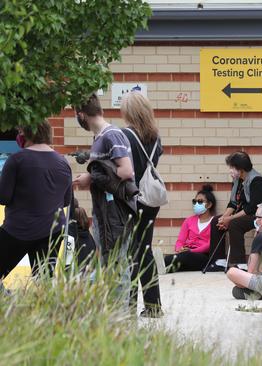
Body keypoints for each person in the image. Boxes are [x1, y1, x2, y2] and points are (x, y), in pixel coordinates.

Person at [0, 121, 72, 279]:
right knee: (44, 281)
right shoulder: (63, 162)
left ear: (27, 134)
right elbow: (66, 201)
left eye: (20, 132)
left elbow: (3, 197)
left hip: (17, 230)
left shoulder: (16, 160)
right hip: (52, 231)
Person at [72, 93, 136, 264]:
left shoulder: (111, 135)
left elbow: (126, 171)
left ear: (81, 115)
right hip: (104, 211)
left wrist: (90, 178)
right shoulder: (99, 137)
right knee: (108, 265)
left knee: (116, 266)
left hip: (116, 212)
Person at [120, 92, 164, 317]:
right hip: (150, 200)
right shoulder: (156, 138)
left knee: (128, 252)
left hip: (131, 198)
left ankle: (128, 304)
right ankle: (153, 305)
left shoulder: (124, 135)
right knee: (144, 250)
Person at [211, 151, 262, 268]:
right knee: (216, 220)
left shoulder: (257, 180)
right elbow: (233, 203)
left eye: (232, 167)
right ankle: (219, 262)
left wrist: (230, 219)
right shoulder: (238, 180)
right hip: (248, 213)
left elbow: (253, 207)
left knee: (235, 224)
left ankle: (240, 264)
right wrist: (224, 218)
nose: (230, 170)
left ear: (241, 168)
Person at [164, 185, 217, 272]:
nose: (196, 204)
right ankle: (164, 267)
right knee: (176, 259)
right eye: (194, 201)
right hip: (185, 254)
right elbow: (180, 241)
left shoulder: (215, 221)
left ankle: (163, 266)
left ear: (209, 204)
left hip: (203, 256)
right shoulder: (189, 221)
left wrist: (191, 251)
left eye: (200, 202)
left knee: (185, 257)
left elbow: (210, 245)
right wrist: (179, 249)